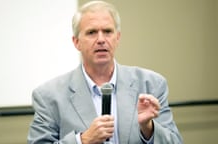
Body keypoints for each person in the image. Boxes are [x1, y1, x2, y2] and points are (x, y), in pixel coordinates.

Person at [27, 1, 183, 144]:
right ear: (76, 42)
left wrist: (148, 128)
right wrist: (82, 141)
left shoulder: (151, 84)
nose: (101, 39)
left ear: (117, 38)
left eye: (107, 31)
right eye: (91, 32)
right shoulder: (48, 96)